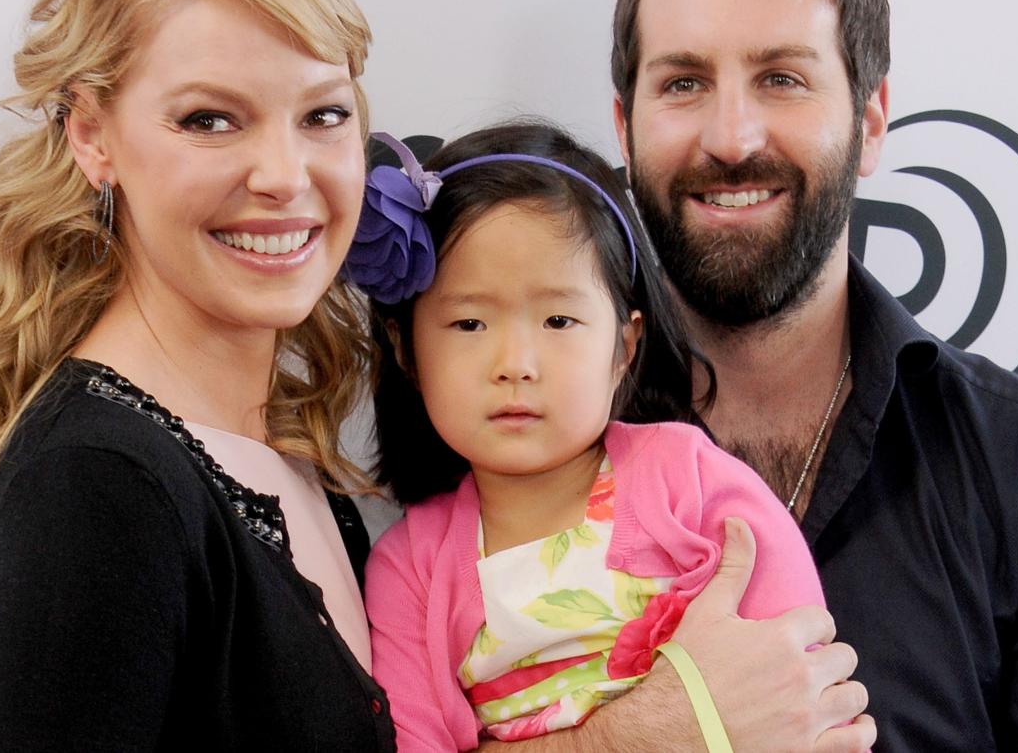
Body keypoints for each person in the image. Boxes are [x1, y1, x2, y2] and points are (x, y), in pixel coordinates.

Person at [611, 0, 1018, 749]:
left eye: (782, 78)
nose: (731, 137)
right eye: (684, 82)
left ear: (869, 121)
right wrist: (656, 730)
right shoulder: (515, 438)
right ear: (624, 128)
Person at [0, 0, 396, 749]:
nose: (285, 176)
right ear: (92, 136)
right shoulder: (99, 485)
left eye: (323, 115)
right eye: (209, 120)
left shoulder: (281, 456)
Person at [351, 122, 826, 751]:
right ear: (406, 350)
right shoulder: (409, 570)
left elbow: (800, 683)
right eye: (469, 322)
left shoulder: (691, 484)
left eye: (558, 319)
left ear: (623, 346)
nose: (516, 362)